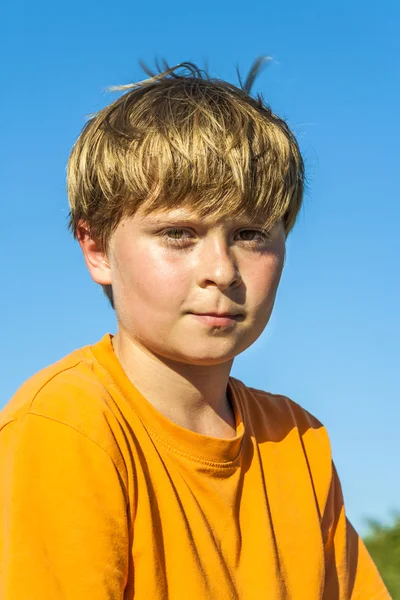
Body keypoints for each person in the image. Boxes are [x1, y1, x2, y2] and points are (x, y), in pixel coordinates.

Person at [0, 61, 390, 599]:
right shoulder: (67, 425)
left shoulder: (297, 440)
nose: (223, 270)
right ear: (96, 250)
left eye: (251, 233)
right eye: (180, 233)